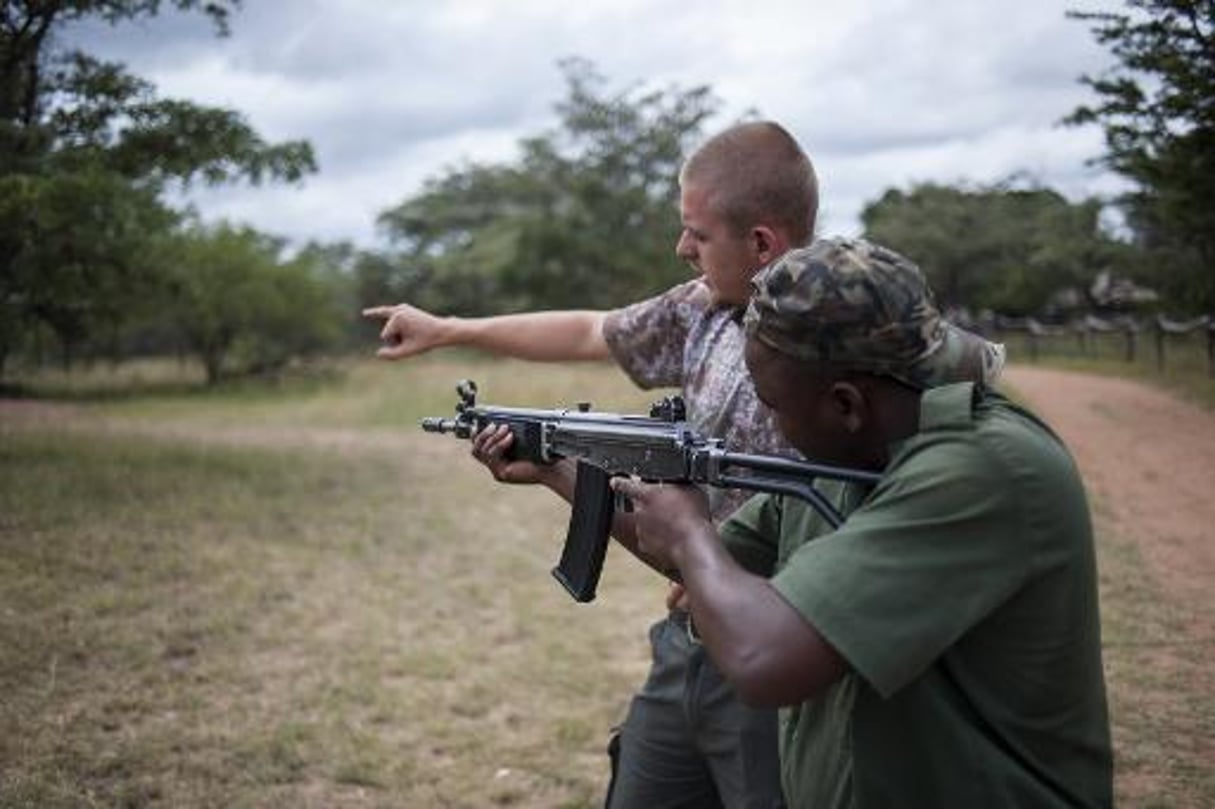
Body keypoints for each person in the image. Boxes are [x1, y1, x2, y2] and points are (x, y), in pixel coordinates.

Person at [365, 121, 818, 808]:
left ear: (760, 243)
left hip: (774, 664)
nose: (681, 247)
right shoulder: (705, 311)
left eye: (697, 232)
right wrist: (451, 331)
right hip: (688, 640)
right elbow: (591, 330)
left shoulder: (835, 354)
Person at [601, 237, 1114, 806]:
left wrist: (688, 532)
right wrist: (567, 472)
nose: (772, 417)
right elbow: (720, 562)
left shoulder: (984, 469)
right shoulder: (855, 457)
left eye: (772, 403)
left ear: (845, 404)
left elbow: (761, 659)